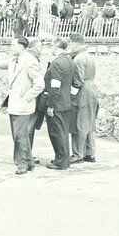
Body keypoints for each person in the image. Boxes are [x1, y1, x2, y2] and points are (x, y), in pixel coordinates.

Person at [0, 37, 43, 175]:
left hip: (23, 106)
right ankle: (29, 162)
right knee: (20, 135)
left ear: (22, 46)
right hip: (14, 105)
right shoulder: (14, 60)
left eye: (13, 45)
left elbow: (40, 84)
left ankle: (22, 164)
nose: (10, 47)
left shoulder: (30, 62)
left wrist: (26, 98)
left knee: (20, 136)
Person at [44, 36, 75, 170]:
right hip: (66, 102)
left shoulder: (57, 63)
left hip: (57, 103)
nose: (50, 48)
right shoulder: (69, 61)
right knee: (63, 131)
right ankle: (63, 158)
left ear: (56, 47)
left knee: (57, 132)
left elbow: (55, 87)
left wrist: (51, 105)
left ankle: (60, 160)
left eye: (51, 46)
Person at [68, 33, 99, 165]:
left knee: (79, 122)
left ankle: (77, 154)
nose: (69, 46)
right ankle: (90, 153)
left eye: (70, 43)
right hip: (92, 88)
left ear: (75, 43)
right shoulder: (89, 56)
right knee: (90, 122)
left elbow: (77, 81)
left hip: (83, 92)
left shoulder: (78, 59)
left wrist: (71, 96)